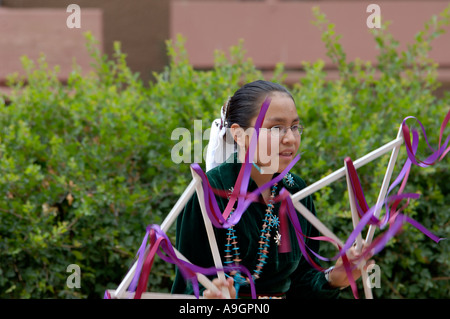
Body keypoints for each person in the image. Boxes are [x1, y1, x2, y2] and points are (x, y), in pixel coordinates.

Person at [171, 80, 372, 299]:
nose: (290, 138)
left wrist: (334, 278)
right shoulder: (207, 191)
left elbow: (301, 283)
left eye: (295, 127)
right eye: (276, 128)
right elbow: (188, 285)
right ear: (239, 135)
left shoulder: (296, 191)